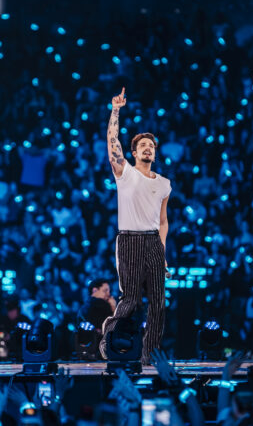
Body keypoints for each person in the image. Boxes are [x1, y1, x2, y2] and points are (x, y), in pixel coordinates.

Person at [99, 87, 172, 365]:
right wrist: (115, 110)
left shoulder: (164, 184)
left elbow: (163, 220)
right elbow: (112, 142)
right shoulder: (125, 172)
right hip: (129, 240)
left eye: (151, 145)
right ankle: (108, 337)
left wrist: (162, 252)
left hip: (153, 241)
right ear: (134, 152)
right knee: (130, 300)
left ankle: (149, 355)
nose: (148, 148)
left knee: (158, 303)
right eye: (143, 145)